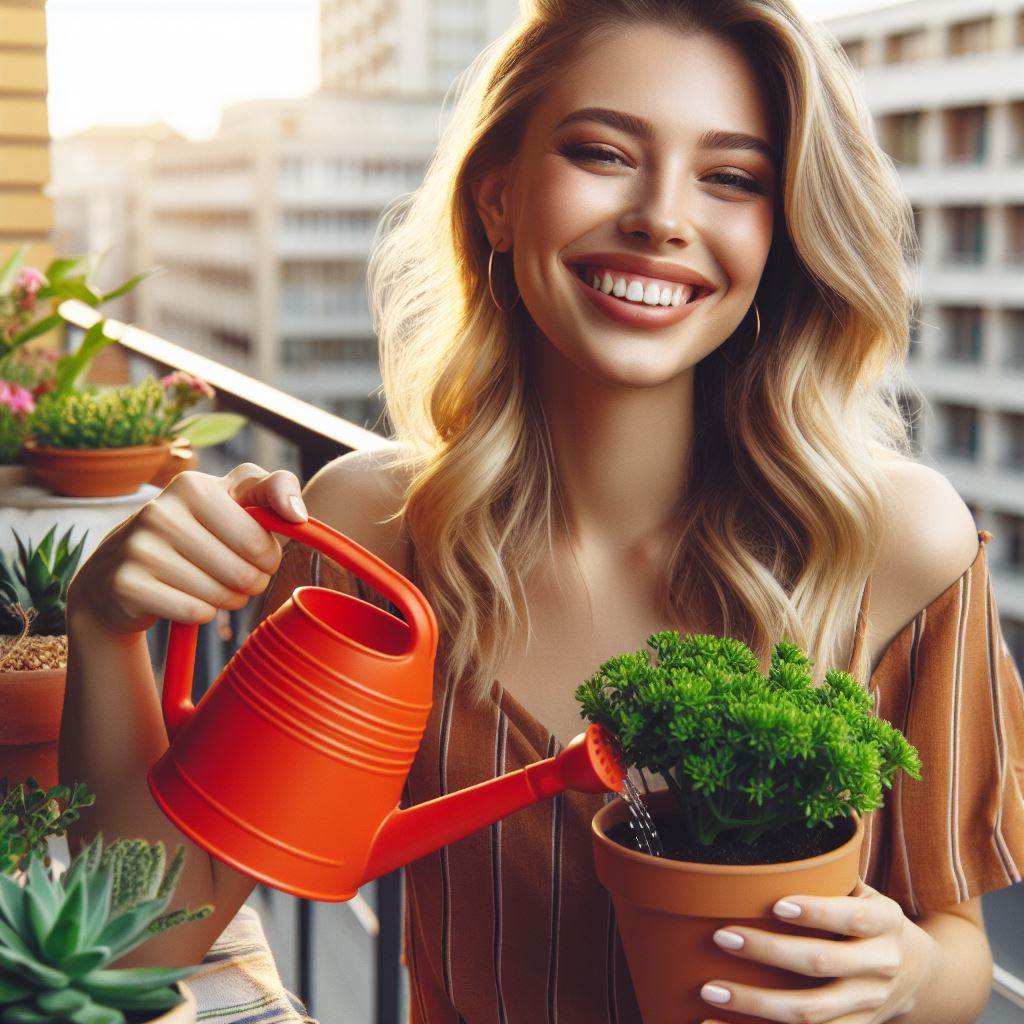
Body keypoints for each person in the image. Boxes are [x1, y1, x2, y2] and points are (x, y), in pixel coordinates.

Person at [61, 0, 1024, 1020]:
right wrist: (102, 627)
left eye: (731, 177)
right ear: (498, 199)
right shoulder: (367, 536)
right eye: (603, 153)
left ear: (780, 235)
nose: (662, 214)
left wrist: (910, 977)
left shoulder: (899, 544)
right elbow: (147, 938)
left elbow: (958, 945)